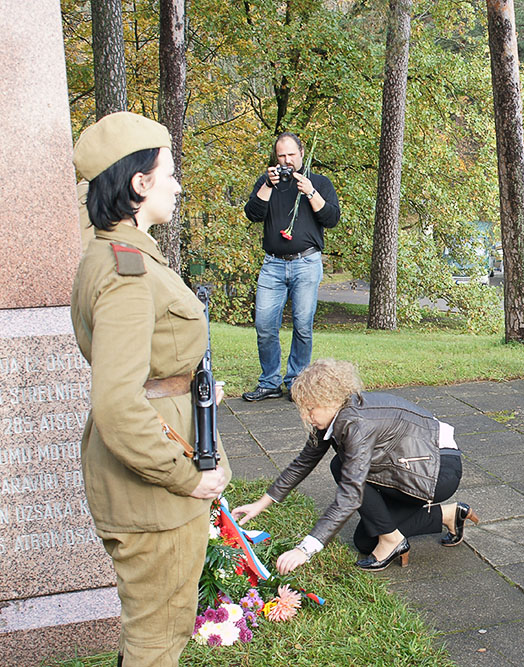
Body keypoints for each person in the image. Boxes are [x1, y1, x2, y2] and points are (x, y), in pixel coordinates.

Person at [70, 112, 231, 666]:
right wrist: (187, 477)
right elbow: (116, 405)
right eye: (170, 174)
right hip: (154, 489)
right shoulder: (126, 270)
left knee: (155, 629)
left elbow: (148, 371)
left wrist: (185, 386)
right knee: (158, 640)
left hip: (155, 472)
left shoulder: (121, 256)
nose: (178, 185)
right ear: (140, 183)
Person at [232, 358, 477, 572]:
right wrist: (260, 504)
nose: (306, 417)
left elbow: (351, 495)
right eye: (302, 409)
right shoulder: (335, 416)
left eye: (310, 409)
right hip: (408, 465)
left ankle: (393, 541)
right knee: (365, 541)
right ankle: (447, 515)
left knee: (341, 466)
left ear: (330, 399)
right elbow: (303, 462)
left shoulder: (355, 424)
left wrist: (305, 549)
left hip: (435, 471)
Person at [242, 132, 340, 402]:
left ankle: (296, 382)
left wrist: (310, 192)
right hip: (272, 265)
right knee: (264, 324)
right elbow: (252, 213)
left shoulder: (319, 182)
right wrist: (267, 186)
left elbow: (331, 218)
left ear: (301, 153)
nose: (286, 161)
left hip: (306, 263)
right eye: (281, 156)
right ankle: (269, 382)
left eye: (291, 155)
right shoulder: (267, 182)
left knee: (302, 325)